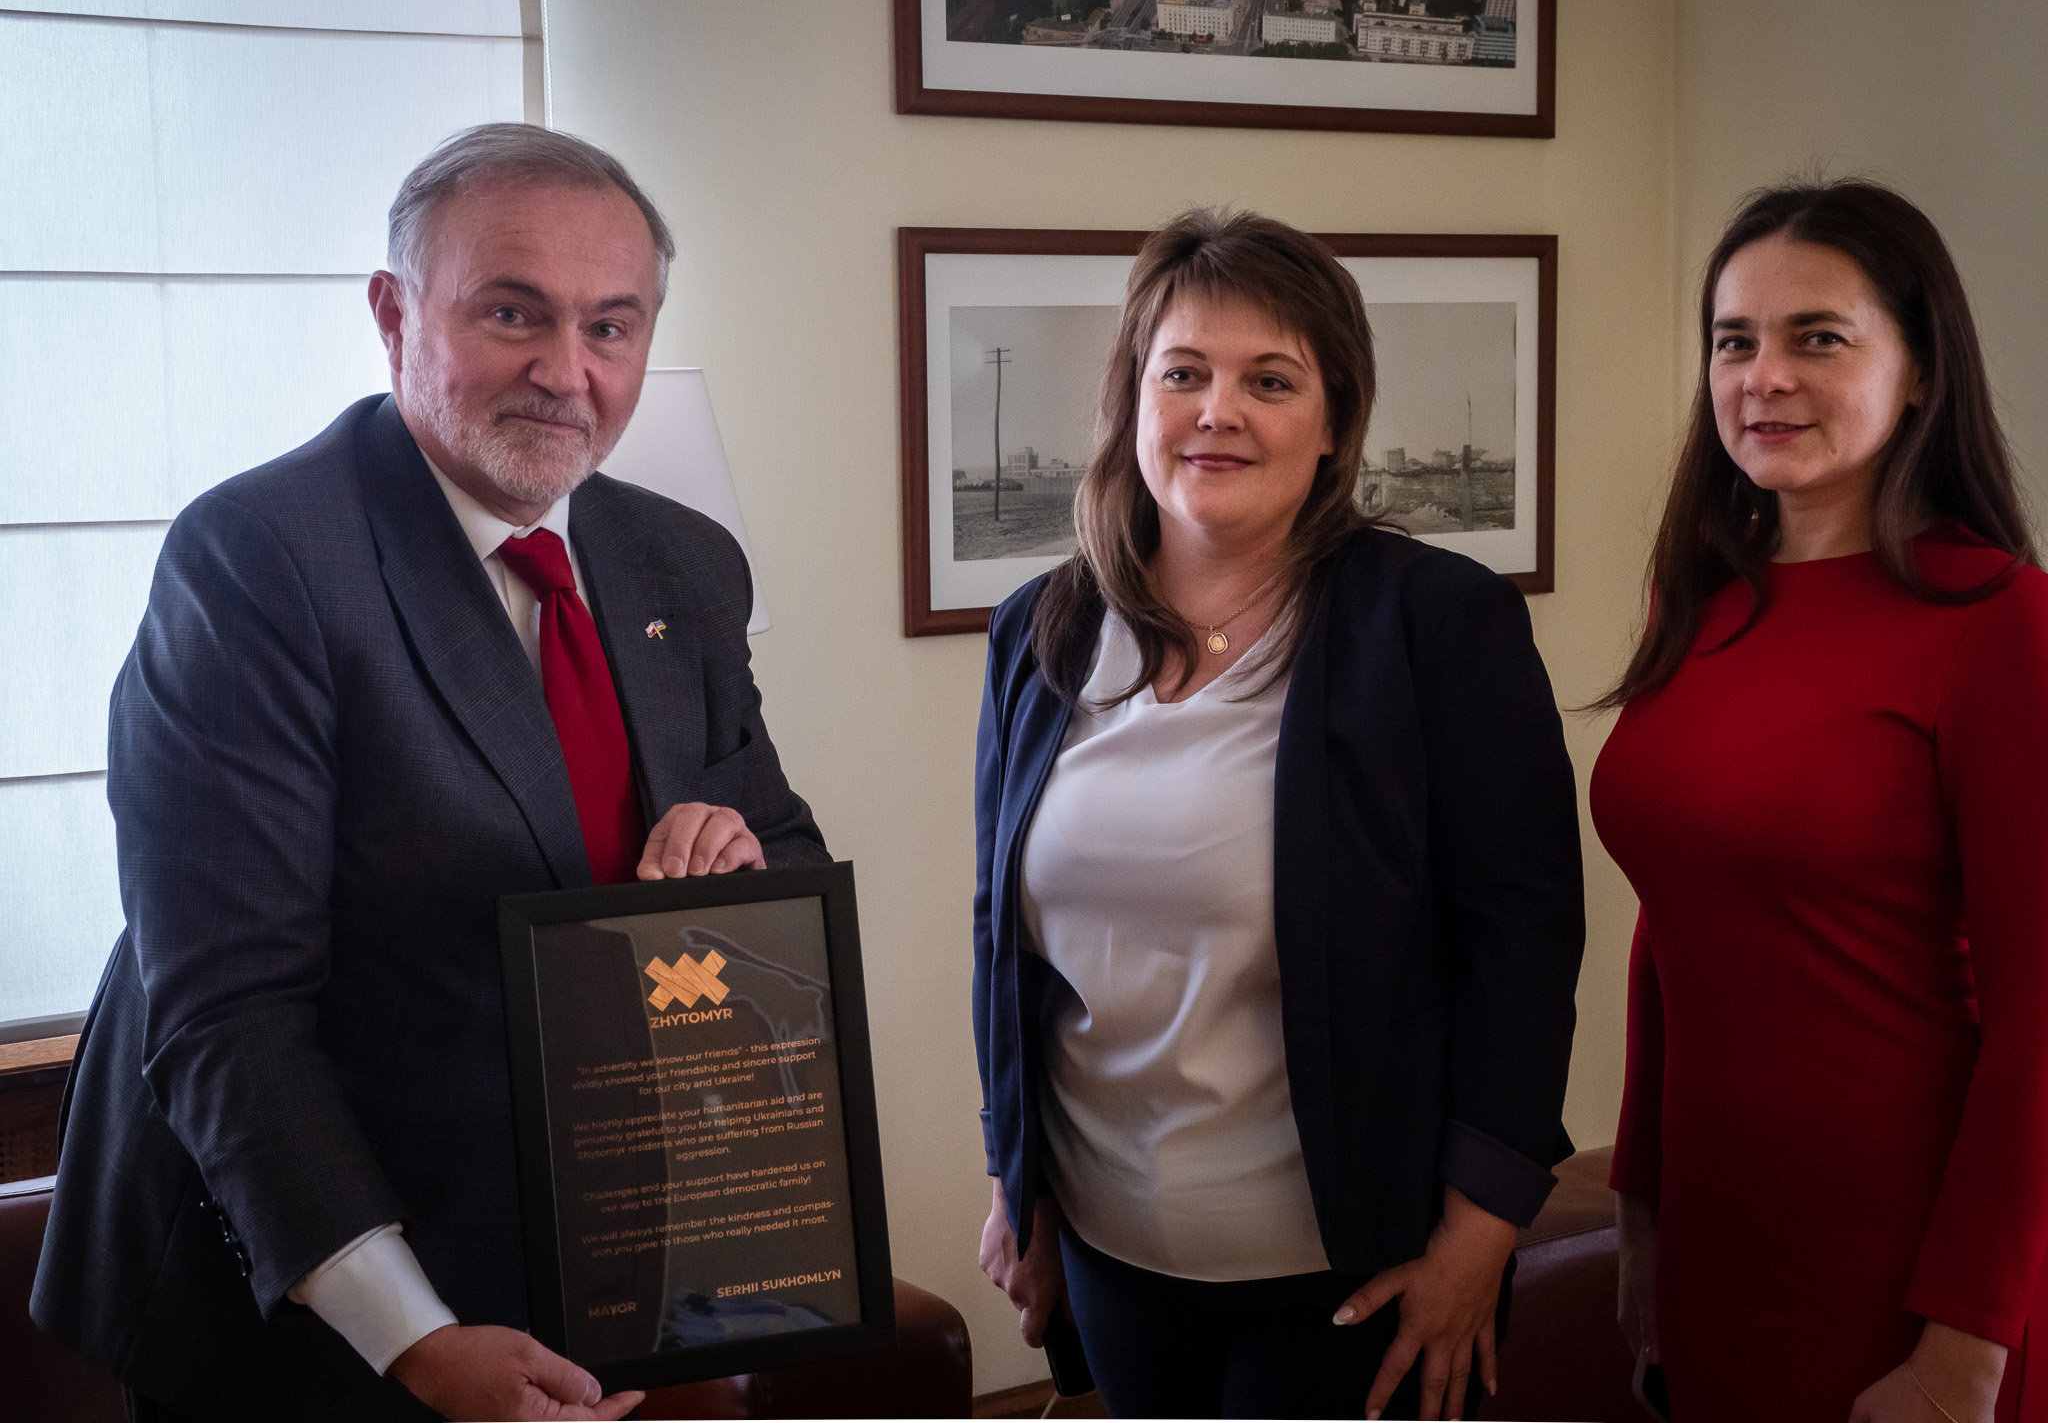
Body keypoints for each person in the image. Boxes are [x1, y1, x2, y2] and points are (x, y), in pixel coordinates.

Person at [30, 123, 831, 1421]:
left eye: (612, 326)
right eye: (514, 312)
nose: (567, 372)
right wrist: (411, 1337)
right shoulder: (259, 562)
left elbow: (782, 855)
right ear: (395, 314)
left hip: (602, 1241)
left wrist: (732, 868)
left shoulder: (681, 562)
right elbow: (229, 1016)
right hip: (313, 1284)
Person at [972, 209, 1585, 1420]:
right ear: (1132, 402)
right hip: (1110, 1248)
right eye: (1182, 373)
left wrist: (1481, 1234)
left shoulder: (1432, 626)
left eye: (1269, 379)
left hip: (1355, 1267)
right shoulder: (1039, 629)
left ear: (1333, 423)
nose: (1218, 411)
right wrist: (1016, 1178)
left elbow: (1520, 942)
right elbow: (1004, 930)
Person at [1593, 180, 2048, 1423]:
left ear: (1916, 374)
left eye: (1817, 338)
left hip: (1907, 1265)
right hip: (1713, 1234)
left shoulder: (1996, 620)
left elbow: (2037, 1022)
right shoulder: (1696, 596)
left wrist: (1964, 1350)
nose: (1761, 376)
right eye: (1732, 341)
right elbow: (1673, 924)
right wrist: (1637, 1215)